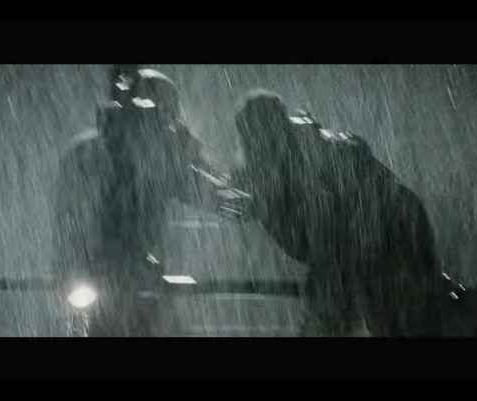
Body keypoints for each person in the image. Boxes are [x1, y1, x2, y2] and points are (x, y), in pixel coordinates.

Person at [229, 89, 455, 337]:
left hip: (387, 234)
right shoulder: (283, 161)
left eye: (253, 139)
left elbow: (330, 251)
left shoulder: (309, 167)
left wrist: (324, 306)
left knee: (386, 314)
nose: (249, 146)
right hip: (383, 236)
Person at [52, 66, 216, 337]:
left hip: (126, 279)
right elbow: (68, 221)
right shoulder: (88, 156)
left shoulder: (156, 156)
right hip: (106, 279)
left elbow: (199, 187)